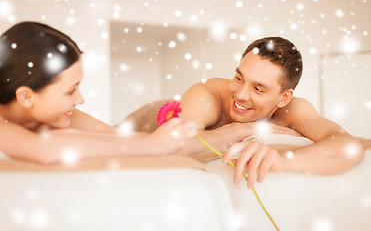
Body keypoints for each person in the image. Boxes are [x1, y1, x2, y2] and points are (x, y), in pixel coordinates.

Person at [179, 36, 366, 189]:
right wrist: (241, 130)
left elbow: (349, 146)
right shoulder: (206, 95)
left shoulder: (292, 110)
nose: (241, 95)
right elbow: (175, 146)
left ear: (283, 98)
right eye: (239, 78)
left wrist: (284, 160)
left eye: (258, 89)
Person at [0, 21, 196, 165]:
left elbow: (120, 138)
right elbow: (43, 151)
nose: (80, 99)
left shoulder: (59, 115)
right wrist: (151, 146)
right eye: (70, 91)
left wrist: (171, 139)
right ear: (26, 97)